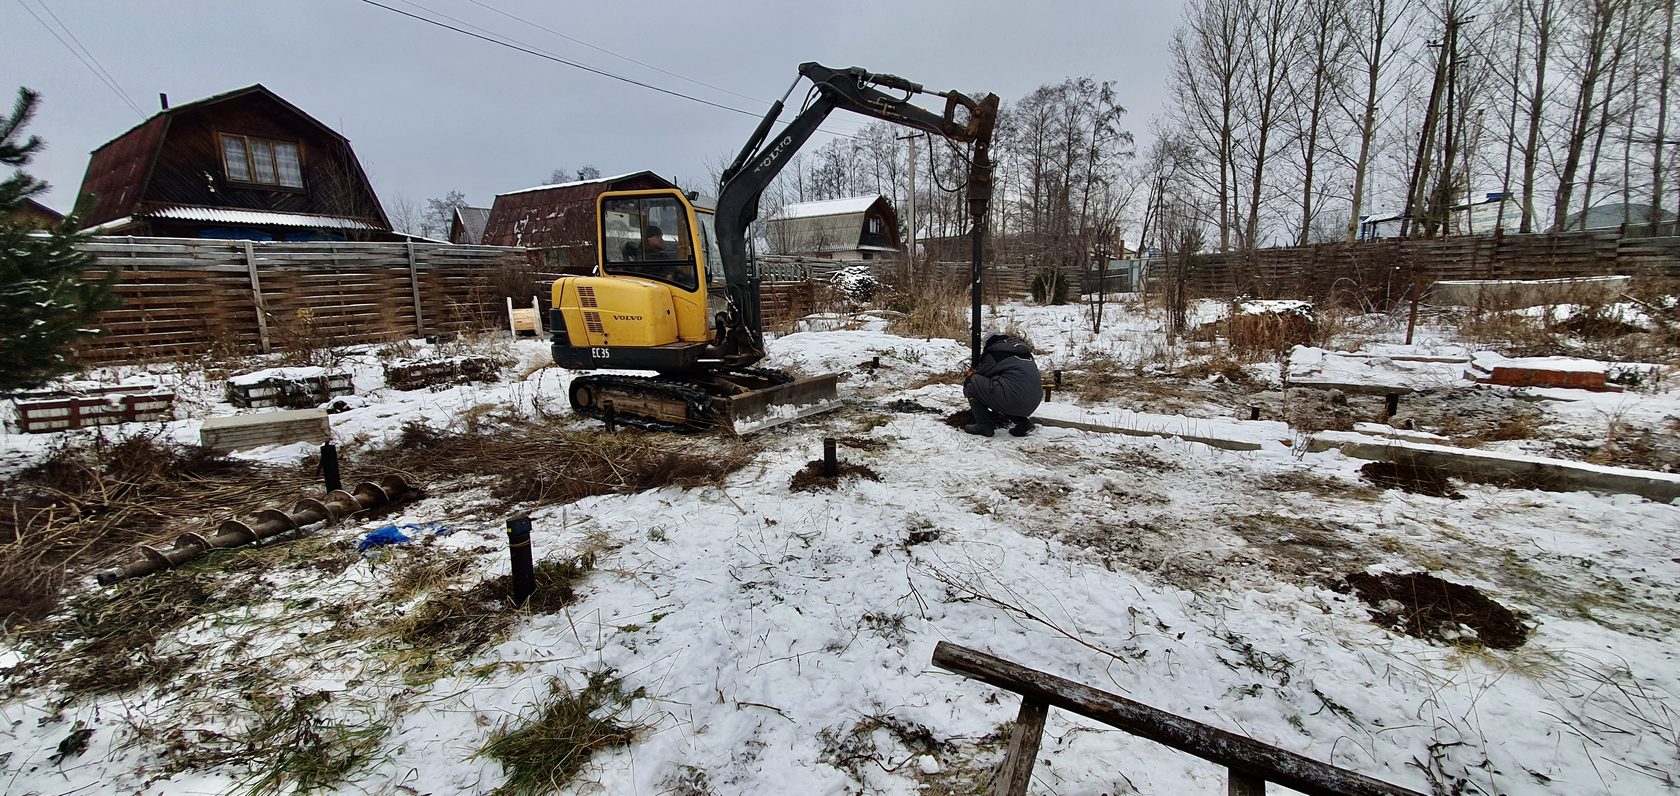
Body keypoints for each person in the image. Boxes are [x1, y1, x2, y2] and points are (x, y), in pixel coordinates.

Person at [962, 330, 1041, 437]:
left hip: (1013, 398)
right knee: (1004, 387)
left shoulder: (995, 353)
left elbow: (980, 375)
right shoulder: (1023, 352)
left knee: (971, 382)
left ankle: (984, 426)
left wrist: (971, 374)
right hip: (1034, 401)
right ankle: (1023, 422)